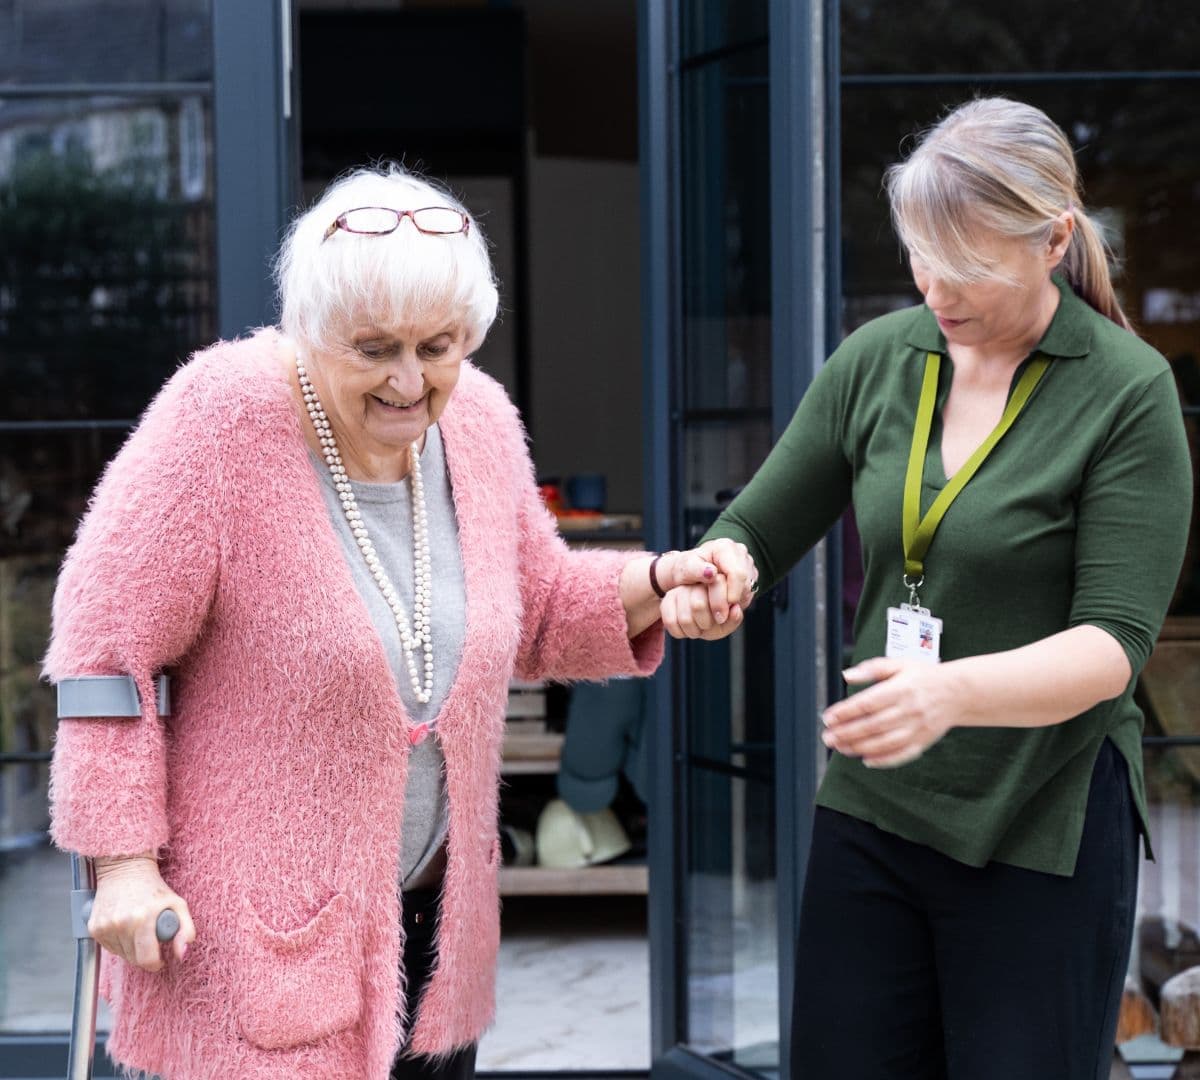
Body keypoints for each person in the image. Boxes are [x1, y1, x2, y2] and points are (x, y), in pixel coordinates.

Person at [45, 163, 755, 1080]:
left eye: (440, 346)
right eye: (375, 348)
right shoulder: (219, 420)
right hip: (248, 944)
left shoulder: (482, 424)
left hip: (432, 937)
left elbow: (536, 605)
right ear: (309, 330)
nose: (409, 381)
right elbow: (105, 650)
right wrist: (124, 866)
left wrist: (659, 581)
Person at [663, 97, 1193, 1079]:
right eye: (921, 257)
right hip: (877, 808)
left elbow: (1112, 646)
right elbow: (758, 529)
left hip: (1042, 817)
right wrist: (717, 572)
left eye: (971, 266)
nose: (937, 289)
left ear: (1054, 241)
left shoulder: (1125, 390)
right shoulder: (879, 361)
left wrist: (948, 693)